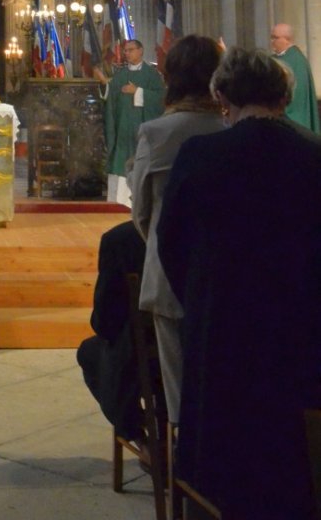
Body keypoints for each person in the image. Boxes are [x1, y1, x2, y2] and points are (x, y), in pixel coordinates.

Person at [158, 48, 321, 520]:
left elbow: (172, 241)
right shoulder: (313, 153)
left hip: (221, 321)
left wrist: (201, 293)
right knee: (290, 447)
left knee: (222, 447)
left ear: (222, 94)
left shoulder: (203, 154)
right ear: (285, 96)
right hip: (300, 322)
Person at [128, 34, 224, 422]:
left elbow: (142, 214)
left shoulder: (157, 133)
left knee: (181, 388)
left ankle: (184, 469)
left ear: (171, 78)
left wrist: (160, 241)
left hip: (169, 273)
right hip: (227, 274)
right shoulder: (228, 130)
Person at [76, 219, 146, 439]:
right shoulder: (211, 228)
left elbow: (106, 321)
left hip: (146, 363)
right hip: (203, 351)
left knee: (90, 352)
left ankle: (142, 438)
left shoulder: (123, 239)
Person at [93, 39, 164, 205]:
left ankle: (140, 202)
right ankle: (118, 202)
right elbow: (111, 97)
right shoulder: (121, 75)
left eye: (130, 50)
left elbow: (161, 99)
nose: (127, 53)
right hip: (123, 130)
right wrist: (105, 83)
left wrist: (138, 91)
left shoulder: (152, 75)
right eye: (125, 50)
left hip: (142, 129)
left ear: (141, 51)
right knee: (121, 161)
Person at [269, 22, 319, 132]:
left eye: (275, 38)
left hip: (293, 121)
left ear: (287, 39)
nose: (272, 41)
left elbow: (295, 97)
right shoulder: (283, 58)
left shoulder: (295, 61)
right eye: (271, 37)